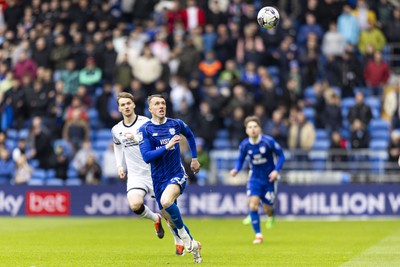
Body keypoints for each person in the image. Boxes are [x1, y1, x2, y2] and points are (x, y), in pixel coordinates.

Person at [111, 92, 184, 256]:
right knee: (135, 205)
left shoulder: (147, 123)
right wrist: (119, 165)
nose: (126, 107)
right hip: (136, 175)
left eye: (128, 103)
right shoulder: (116, 129)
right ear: (119, 108)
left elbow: (156, 143)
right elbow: (117, 145)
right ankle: (154, 219)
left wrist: (137, 139)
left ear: (134, 104)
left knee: (168, 212)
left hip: (155, 172)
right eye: (122, 105)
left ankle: (178, 239)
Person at [138, 94, 202, 263]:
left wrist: (194, 158)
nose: (161, 106)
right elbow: (146, 157)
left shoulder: (176, 124)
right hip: (158, 179)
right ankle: (194, 244)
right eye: (156, 104)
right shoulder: (144, 130)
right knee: (169, 219)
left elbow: (190, 135)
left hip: (176, 174)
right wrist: (166, 147)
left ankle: (184, 237)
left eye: (163, 103)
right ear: (150, 109)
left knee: (167, 202)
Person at [230, 116, 285, 244]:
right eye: (250, 127)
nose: (253, 129)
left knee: (267, 209)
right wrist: (236, 169)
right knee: (253, 204)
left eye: (255, 127)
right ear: (246, 131)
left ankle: (271, 214)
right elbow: (240, 159)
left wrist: (276, 170)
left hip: (269, 179)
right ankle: (258, 235)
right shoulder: (244, 145)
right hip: (254, 178)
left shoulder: (268, 142)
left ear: (260, 129)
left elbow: (281, 155)